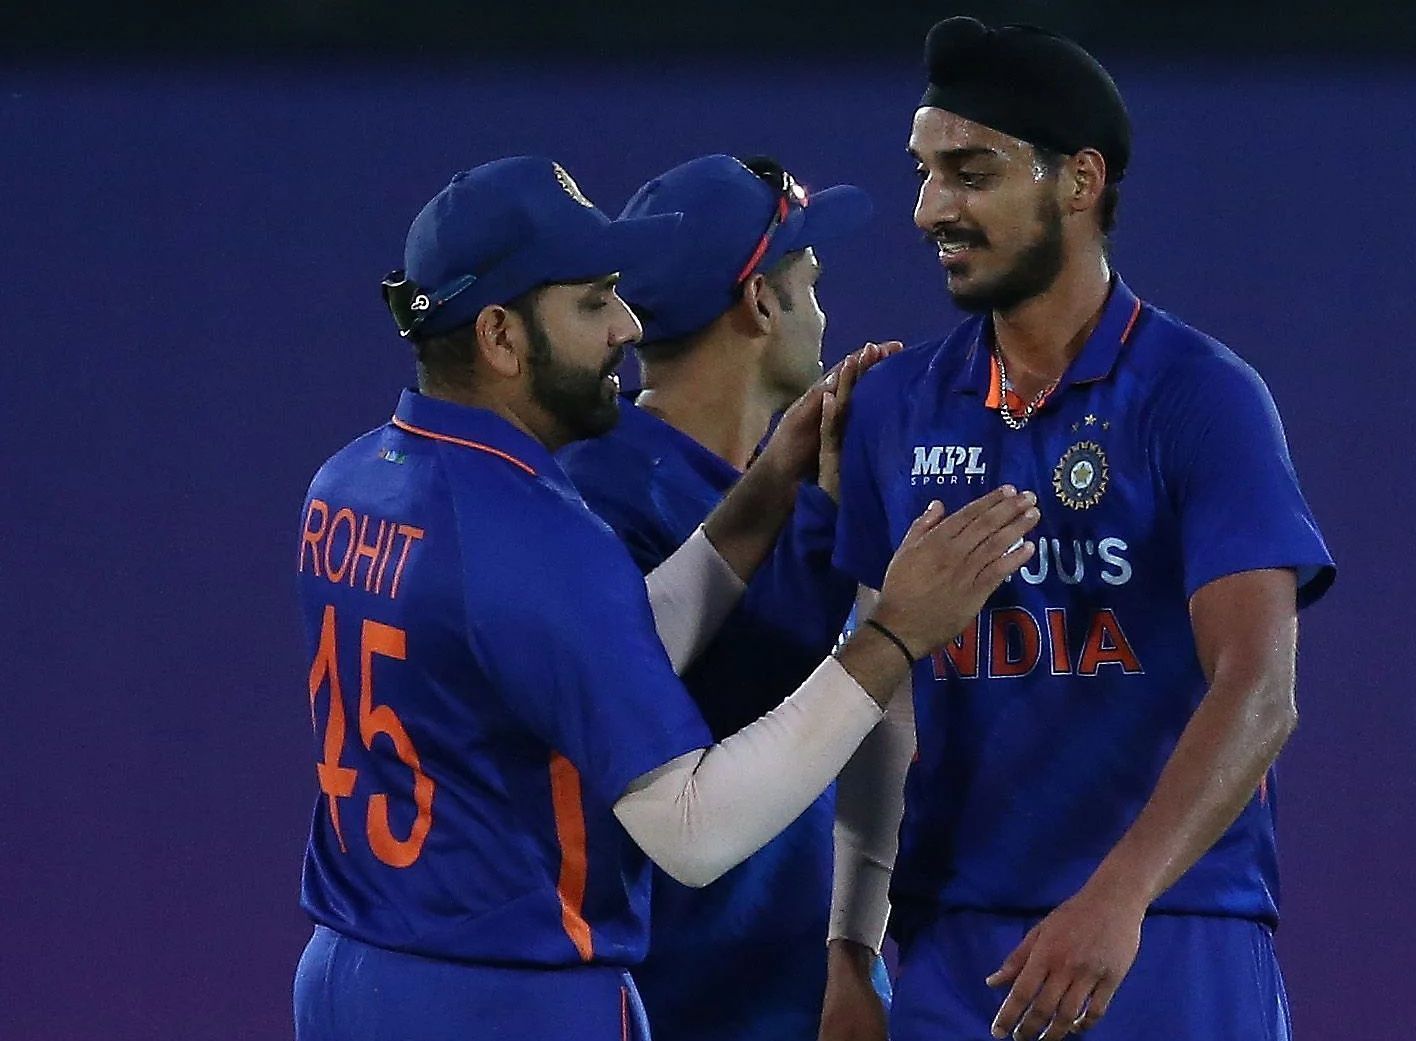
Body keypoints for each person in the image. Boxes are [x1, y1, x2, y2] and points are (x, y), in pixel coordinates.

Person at [290, 153, 1042, 1041]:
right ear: (500, 337)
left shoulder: (351, 481)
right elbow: (693, 828)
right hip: (507, 995)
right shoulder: (535, 537)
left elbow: (603, 647)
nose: (624, 325)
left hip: (353, 969)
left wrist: (766, 490)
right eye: (590, 301)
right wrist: (895, 633)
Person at [823, 18, 1337, 1041]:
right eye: (926, 173)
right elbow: (881, 700)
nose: (932, 210)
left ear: (1079, 180)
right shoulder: (895, 406)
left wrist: (1121, 895)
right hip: (954, 947)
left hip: (1164, 930)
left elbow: (1259, 686)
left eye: (970, 173)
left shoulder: (1202, 398)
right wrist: (849, 946)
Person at [558, 153, 888, 1041]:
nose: (821, 311)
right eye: (807, 283)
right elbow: (739, 699)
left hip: (795, 992)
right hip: (679, 1001)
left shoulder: (761, 478)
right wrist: (833, 531)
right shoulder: (599, 495)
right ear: (759, 304)